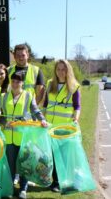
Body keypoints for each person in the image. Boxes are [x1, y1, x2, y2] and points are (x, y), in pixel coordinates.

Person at [2, 72, 47, 199]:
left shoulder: (28, 95)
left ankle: (23, 189)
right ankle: (10, 188)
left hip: (23, 137)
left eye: (18, 81)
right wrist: (5, 122)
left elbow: (35, 110)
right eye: (13, 81)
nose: (15, 84)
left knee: (24, 164)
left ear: (22, 83)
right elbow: (0, 114)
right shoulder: (4, 96)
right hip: (9, 137)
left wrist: (42, 119)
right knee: (10, 165)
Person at [43, 59, 81, 192]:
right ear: (55, 71)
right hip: (50, 127)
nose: (60, 72)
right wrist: (42, 119)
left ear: (68, 70)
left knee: (63, 155)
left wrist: (76, 118)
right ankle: (55, 181)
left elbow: (77, 106)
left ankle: (62, 181)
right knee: (52, 155)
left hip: (65, 128)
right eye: (58, 69)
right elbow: (45, 105)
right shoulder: (49, 84)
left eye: (63, 69)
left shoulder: (74, 86)